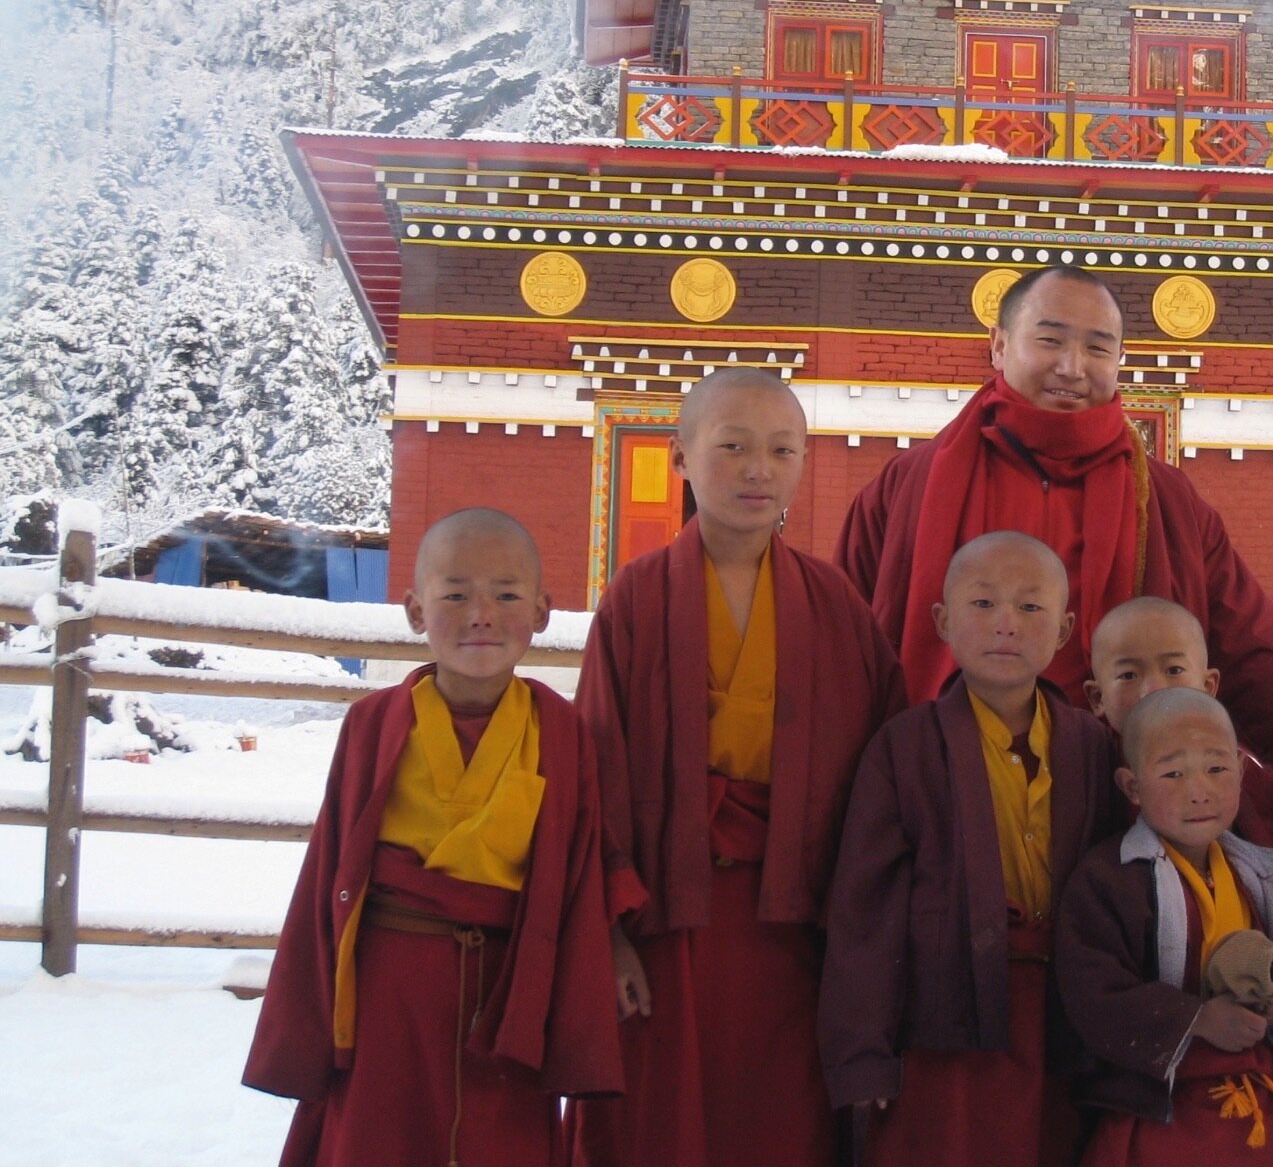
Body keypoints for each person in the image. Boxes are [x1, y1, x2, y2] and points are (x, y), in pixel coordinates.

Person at [835, 265, 1273, 804]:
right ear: (999, 344)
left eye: (1098, 349)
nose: (1072, 367)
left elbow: (1258, 671)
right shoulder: (906, 488)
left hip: (1118, 810)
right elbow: (843, 668)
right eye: (1050, 339)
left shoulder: (1168, 503)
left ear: (1120, 360)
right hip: (940, 801)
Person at [565, 369, 903, 1167]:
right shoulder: (637, 599)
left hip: (794, 929)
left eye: (782, 449)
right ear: (680, 457)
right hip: (662, 921)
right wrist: (608, 932)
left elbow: (885, 782)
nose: (759, 468)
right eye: (734, 446)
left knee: (781, 1130)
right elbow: (595, 772)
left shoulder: (836, 606)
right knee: (658, 1129)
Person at [245, 509, 621, 1167]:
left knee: (501, 1142)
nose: (482, 614)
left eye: (506, 595)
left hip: (509, 992)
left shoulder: (563, 732)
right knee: (378, 1134)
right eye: (455, 595)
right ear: (416, 611)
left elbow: (581, 870)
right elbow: (330, 871)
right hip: (391, 985)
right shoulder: (373, 724)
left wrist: (596, 973)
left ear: (542, 610)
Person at [818, 531, 1124, 1167]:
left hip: (1065, 1020)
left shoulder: (1093, 747)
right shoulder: (904, 749)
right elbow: (865, 916)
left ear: (1067, 629)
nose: (1006, 624)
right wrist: (862, 1054)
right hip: (947, 1017)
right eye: (983, 605)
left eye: (1031, 608)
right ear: (943, 622)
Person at [1056, 688, 1273, 1166]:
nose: (1199, 790)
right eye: (1172, 772)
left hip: (1258, 1109)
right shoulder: (1110, 878)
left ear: (1241, 771)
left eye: (1217, 768)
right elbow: (1092, 990)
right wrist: (1199, 1020)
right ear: (1132, 786)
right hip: (1159, 1114)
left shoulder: (1265, 874)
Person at [1085, 596, 1273, 855]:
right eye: (1129, 675)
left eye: (1174, 670)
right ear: (1097, 698)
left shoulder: (1246, 781)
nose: (1154, 690)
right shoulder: (1087, 774)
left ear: (1208, 686)